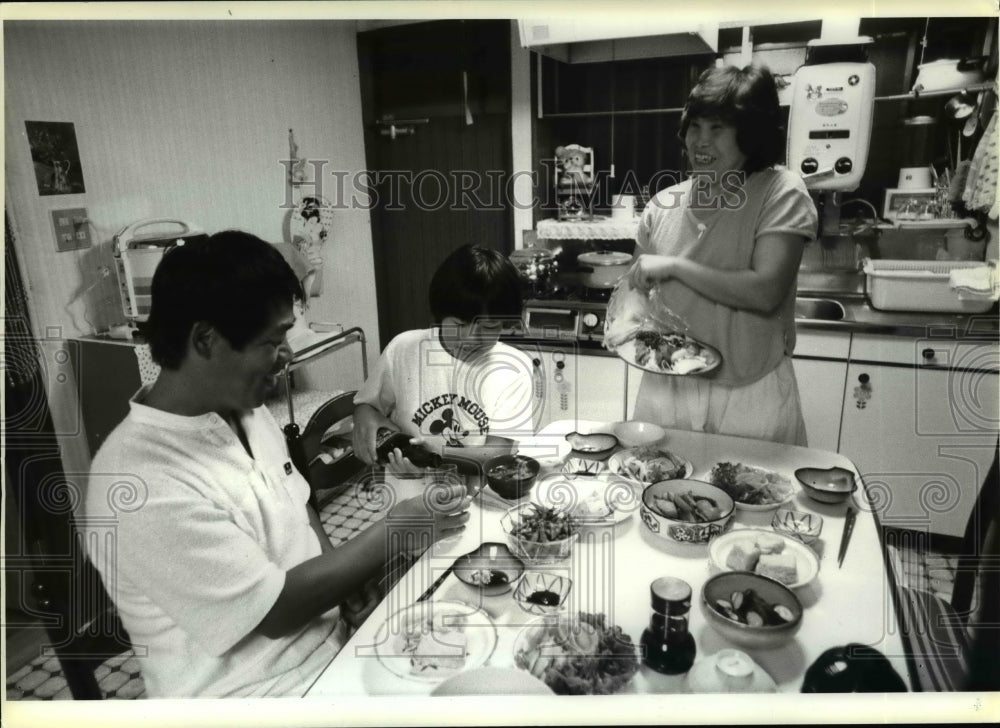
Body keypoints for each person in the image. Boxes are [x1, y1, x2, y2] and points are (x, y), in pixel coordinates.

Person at [82, 231, 469, 697]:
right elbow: (276, 611)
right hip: (259, 695)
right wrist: (399, 529)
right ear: (205, 339)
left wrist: (343, 583)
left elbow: (299, 503)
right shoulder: (140, 480)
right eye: (273, 340)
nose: (287, 356)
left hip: (332, 647)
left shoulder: (244, 410)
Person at [627, 64, 818, 445]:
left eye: (718, 129)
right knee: (658, 493)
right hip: (668, 387)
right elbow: (637, 292)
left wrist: (676, 267)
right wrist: (626, 322)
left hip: (748, 388)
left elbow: (764, 291)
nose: (701, 141)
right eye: (695, 127)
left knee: (754, 495)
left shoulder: (780, 192)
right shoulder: (662, 206)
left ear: (749, 135)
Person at [352, 244, 535, 467]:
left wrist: (428, 458)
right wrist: (365, 417)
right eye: (459, 324)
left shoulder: (513, 369)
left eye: (488, 327)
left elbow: (497, 455)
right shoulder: (403, 348)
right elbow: (367, 404)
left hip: (478, 495)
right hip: (406, 491)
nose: (471, 338)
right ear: (440, 314)